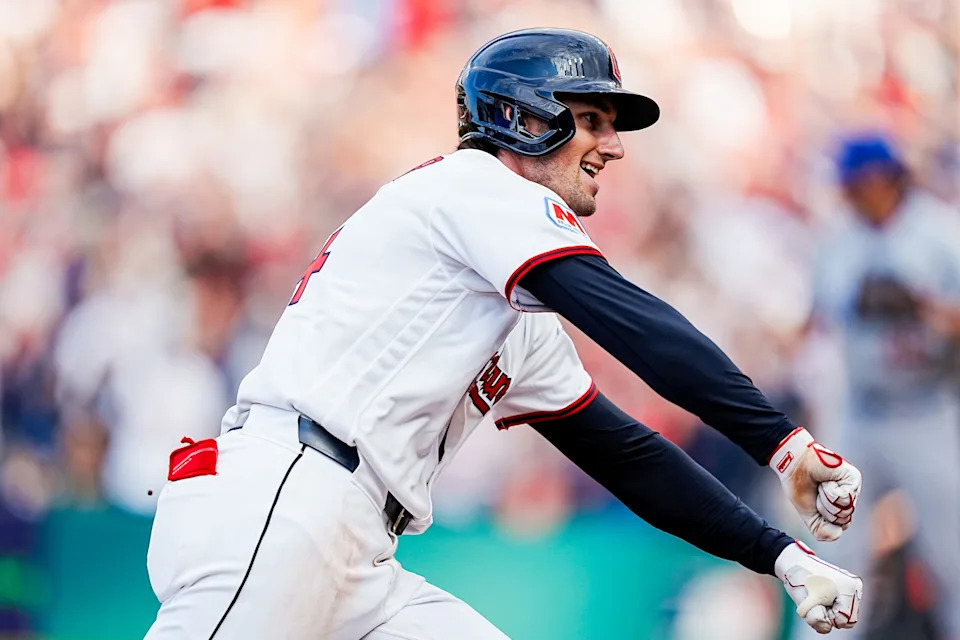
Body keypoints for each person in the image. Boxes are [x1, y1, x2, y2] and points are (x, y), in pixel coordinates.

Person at [144, 29, 863, 640]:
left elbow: (625, 453)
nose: (612, 146)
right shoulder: (479, 188)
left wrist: (779, 555)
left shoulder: (504, 293)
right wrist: (781, 443)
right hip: (286, 497)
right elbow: (632, 321)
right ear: (524, 120)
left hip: (354, 543)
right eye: (593, 118)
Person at [810, 133, 960, 638]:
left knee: (952, 553)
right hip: (861, 412)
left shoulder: (941, 232)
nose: (856, 192)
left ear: (890, 177)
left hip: (926, 409)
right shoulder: (837, 243)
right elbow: (817, 322)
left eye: (864, 180)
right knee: (834, 546)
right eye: (851, 183)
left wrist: (925, 307)